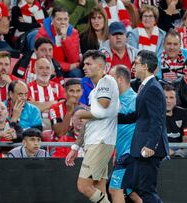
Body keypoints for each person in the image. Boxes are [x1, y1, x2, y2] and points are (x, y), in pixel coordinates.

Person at [65, 50, 119, 203]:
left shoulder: (107, 81)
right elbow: (92, 120)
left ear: (100, 65)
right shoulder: (95, 90)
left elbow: (102, 110)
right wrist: (76, 147)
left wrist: (79, 114)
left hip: (100, 142)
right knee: (98, 187)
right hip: (95, 141)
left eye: (89, 64)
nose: (84, 67)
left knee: (83, 186)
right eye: (84, 64)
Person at [130, 50, 169, 203]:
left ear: (145, 66)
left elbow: (157, 120)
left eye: (136, 64)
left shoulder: (152, 87)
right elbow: (141, 115)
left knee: (146, 191)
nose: (134, 67)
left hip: (148, 149)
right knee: (139, 189)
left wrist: (150, 145)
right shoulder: (145, 86)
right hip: (142, 147)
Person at [108, 65, 141, 203]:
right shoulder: (116, 100)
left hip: (131, 154)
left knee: (115, 189)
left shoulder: (135, 100)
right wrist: (116, 151)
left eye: (111, 78)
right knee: (132, 193)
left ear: (120, 79)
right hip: (123, 153)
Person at [35, 6, 81, 78]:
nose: (63, 22)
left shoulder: (73, 33)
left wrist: (64, 38)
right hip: (50, 68)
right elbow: (44, 59)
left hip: (68, 69)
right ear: (52, 20)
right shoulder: (43, 33)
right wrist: (68, 66)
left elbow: (74, 60)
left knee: (76, 73)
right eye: (59, 19)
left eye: (65, 19)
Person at [27, 58, 66, 130]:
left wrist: (38, 105)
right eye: (41, 68)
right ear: (34, 70)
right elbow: (29, 109)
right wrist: (54, 103)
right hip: (35, 124)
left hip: (56, 123)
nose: (45, 71)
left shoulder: (58, 87)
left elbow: (62, 108)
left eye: (47, 68)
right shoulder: (28, 88)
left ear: (51, 71)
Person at [163, 84, 187, 158]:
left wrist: (181, 149)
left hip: (180, 149)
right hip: (162, 148)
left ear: (176, 99)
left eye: (171, 98)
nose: (168, 101)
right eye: (165, 98)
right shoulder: (155, 114)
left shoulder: (182, 113)